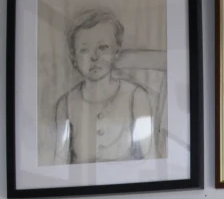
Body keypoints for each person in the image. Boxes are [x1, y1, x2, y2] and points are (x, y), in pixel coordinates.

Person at [52, 9, 156, 164]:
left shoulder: (135, 96)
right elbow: (60, 161)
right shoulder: (66, 104)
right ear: (73, 58)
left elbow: (149, 157)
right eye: (84, 50)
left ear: (116, 51)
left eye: (102, 47)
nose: (94, 57)